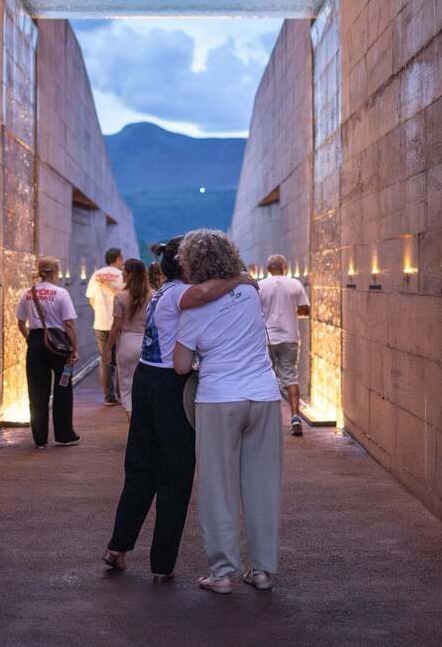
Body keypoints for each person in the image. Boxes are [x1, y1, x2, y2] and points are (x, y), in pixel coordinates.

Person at [104, 236, 251, 580]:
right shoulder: (177, 294)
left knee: (140, 469)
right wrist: (238, 279)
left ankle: (118, 547)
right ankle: (162, 564)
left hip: (146, 380)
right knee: (175, 474)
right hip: (171, 387)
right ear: (185, 267)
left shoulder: (161, 293)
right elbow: (202, 295)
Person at [174, 230, 283, 594]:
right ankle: (264, 570)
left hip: (219, 398)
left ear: (191, 264)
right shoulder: (250, 291)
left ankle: (222, 574)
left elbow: (179, 365)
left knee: (218, 487)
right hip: (264, 396)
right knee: (262, 486)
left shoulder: (191, 309)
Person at [15, 258, 81, 449]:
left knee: (37, 392)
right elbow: (68, 324)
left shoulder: (28, 294)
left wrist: (31, 339)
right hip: (58, 344)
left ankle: (40, 438)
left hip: (36, 342)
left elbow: (20, 322)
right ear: (55, 273)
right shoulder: (61, 293)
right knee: (63, 388)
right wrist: (74, 348)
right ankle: (64, 435)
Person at [258, 254, 311, 436]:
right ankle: (295, 417)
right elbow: (305, 309)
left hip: (267, 339)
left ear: (268, 270)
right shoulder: (294, 284)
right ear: (285, 268)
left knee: (265, 377)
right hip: (289, 337)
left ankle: (267, 422)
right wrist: (289, 311)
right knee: (290, 376)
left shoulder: (261, 286)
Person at [103, 259, 151, 416]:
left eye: (124, 272)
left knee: (127, 386)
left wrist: (108, 348)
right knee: (145, 386)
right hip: (147, 343)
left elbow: (116, 326)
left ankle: (132, 424)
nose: (122, 275)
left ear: (130, 275)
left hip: (127, 343)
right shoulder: (152, 295)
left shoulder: (121, 296)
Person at [86, 248, 124, 405]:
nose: (122, 262)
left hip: (100, 323)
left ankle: (109, 397)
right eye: (121, 258)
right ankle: (121, 393)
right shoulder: (122, 275)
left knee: (105, 360)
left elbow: (91, 299)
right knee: (121, 358)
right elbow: (124, 297)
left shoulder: (96, 275)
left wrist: (101, 312)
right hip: (118, 323)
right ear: (117, 259)